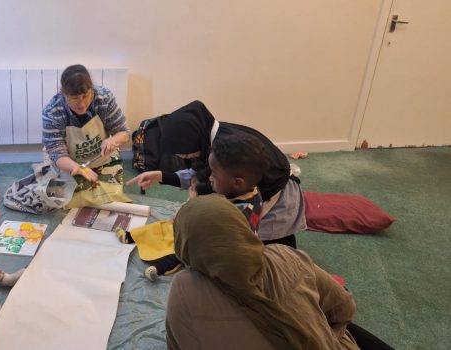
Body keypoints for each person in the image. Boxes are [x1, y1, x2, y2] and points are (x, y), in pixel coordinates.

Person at [167, 194, 363, 349]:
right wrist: (323, 337)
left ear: (185, 248)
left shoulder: (184, 288)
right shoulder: (287, 256)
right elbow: (345, 308)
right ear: (241, 227)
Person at [127, 100, 305, 247]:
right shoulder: (213, 142)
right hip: (262, 195)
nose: (183, 158)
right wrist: (161, 176)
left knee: (269, 246)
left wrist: (193, 210)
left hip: (279, 201)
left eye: (185, 154)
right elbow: (200, 174)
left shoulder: (230, 162)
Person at [115, 133, 267, 281]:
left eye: (214, 174)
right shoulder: (236, 189)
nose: (209, 177)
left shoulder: (241, 215)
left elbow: (223, 251)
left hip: (212, 253)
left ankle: (166, 264)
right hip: (204, 232)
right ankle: (133, 236)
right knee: (164, 227)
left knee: (183, 249)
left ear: (237, 182)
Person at [42, 64, 131, 206]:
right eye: (75, 98)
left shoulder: (104, 98)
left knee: (109, 199)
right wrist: (75, 167)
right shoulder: (52, 112)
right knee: (63, 201)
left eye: (85, 95)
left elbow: (124, 133)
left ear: (91, 89)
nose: (82, 104)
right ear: (64, 94)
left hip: (101, 158)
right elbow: (56, 152)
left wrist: (113, 140)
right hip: (68, 162)